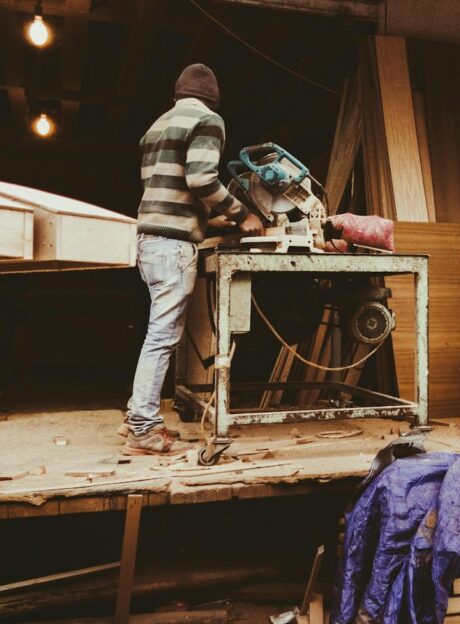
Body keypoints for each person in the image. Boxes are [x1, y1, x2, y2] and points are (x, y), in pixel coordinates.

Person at [122, 63, 261, 455]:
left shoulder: (156, 126)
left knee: (157, 334)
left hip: (149, 241)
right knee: (163, 336)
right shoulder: (208, 119)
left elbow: (173, 191)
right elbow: (201, 180)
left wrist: (208, 217)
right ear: (212, 97)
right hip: (172, 247)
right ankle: (143, 429)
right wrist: (241, 215)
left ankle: (137, 414)